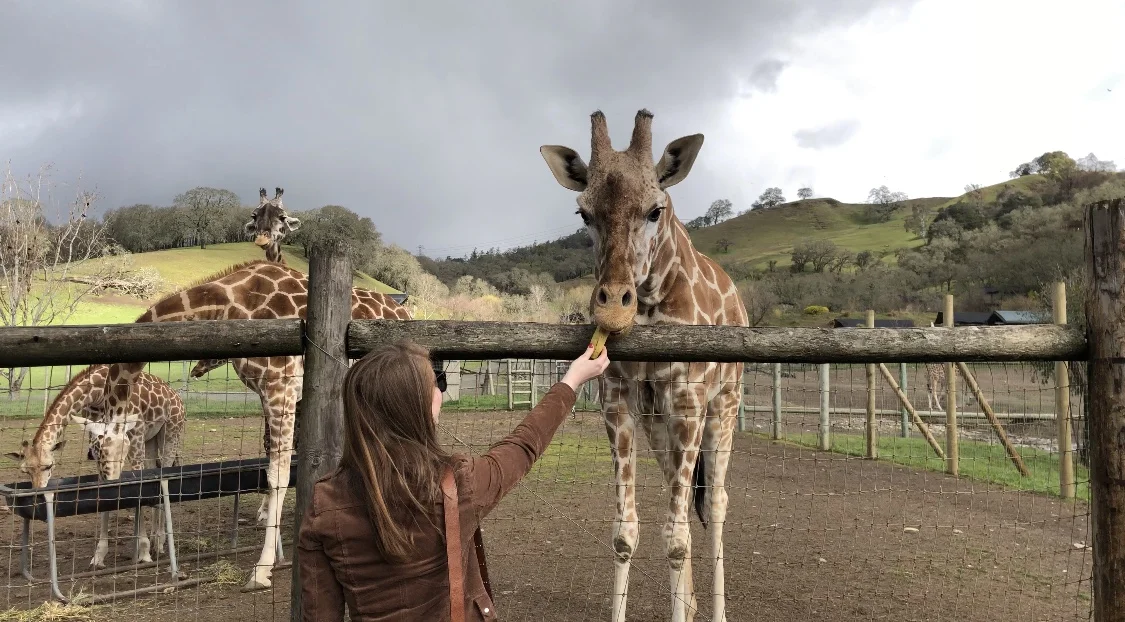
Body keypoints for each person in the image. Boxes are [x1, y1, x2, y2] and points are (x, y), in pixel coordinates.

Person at [297, 339, 611, 621]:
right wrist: (572, 381)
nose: (440, 393)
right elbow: (523, 446)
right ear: (415, 407)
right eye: (435, 384)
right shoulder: (456, 483)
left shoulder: (324, 503)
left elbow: (319, 614)